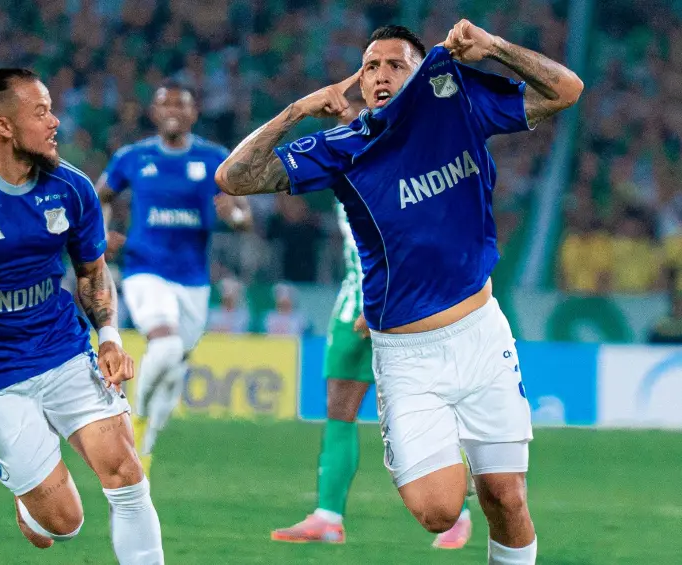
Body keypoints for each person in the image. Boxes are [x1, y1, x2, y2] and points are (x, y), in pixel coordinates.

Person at [216, 21, 583, 564]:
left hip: (481, 334)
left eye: (396, 65)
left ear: (421, 75)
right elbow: (235, 177)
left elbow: (566, 91)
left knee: (505, 497)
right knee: (438, 511)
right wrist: (295, 112)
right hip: (407, 356)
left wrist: (497, 49)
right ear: (359, 84)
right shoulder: (343, 148)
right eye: (370, 66)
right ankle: (431, 451)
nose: (381, 74)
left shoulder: (460, 104)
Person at [0, 69, 165, 563]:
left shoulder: (72, 187)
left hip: (61, 348)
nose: (55, 121)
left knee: (127, 474)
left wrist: (108, 335)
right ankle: (33, 506)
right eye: (41, 111)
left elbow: (91, 269)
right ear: (3, 126)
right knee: (64, 525)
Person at [271, 100, 472, 548]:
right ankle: (328, 517)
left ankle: (458, 508)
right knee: (339, 410)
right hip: (351, 304)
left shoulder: (408, 168)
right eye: (347, 116)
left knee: (413, 412)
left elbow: (419, 241)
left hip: (397, 306)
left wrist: (383, 301)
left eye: (362, 115)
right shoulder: (342, 165)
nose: (352, 121)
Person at [97, 82, 253, 477]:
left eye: (180, 104)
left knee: (174, 370)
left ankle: (143, 450)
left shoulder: (215, 158)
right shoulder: (132, 157)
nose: (172, 110)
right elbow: (102, 196)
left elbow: (243, 216)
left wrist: (231, 217)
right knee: (164, 349)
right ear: (153, 112)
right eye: (164, 103)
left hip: (194, 281)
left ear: (193, 113)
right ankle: (131, 419)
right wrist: (100, 236)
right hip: (145, 270)